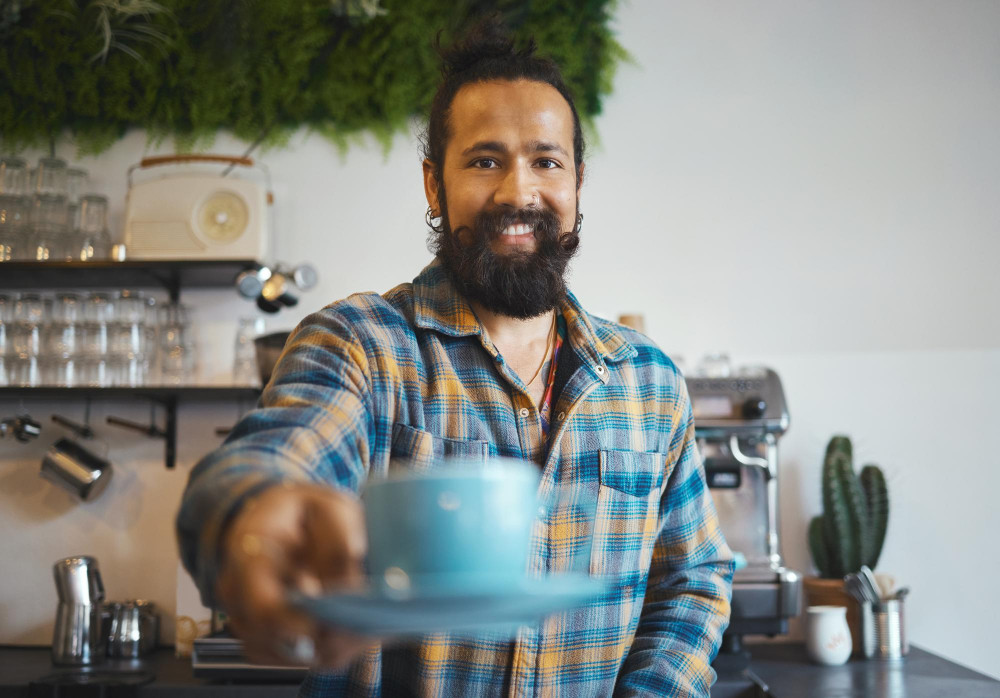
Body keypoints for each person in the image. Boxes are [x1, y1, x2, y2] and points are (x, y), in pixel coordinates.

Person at [177, 18, 734, 697]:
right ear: (434, 185)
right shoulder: (361, 346)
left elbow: (693, 582)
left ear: (578, 182)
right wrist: (248, 523)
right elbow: (274, 457)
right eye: (484, 160)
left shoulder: (650, 383)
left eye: (546, 161)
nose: (518, 193)